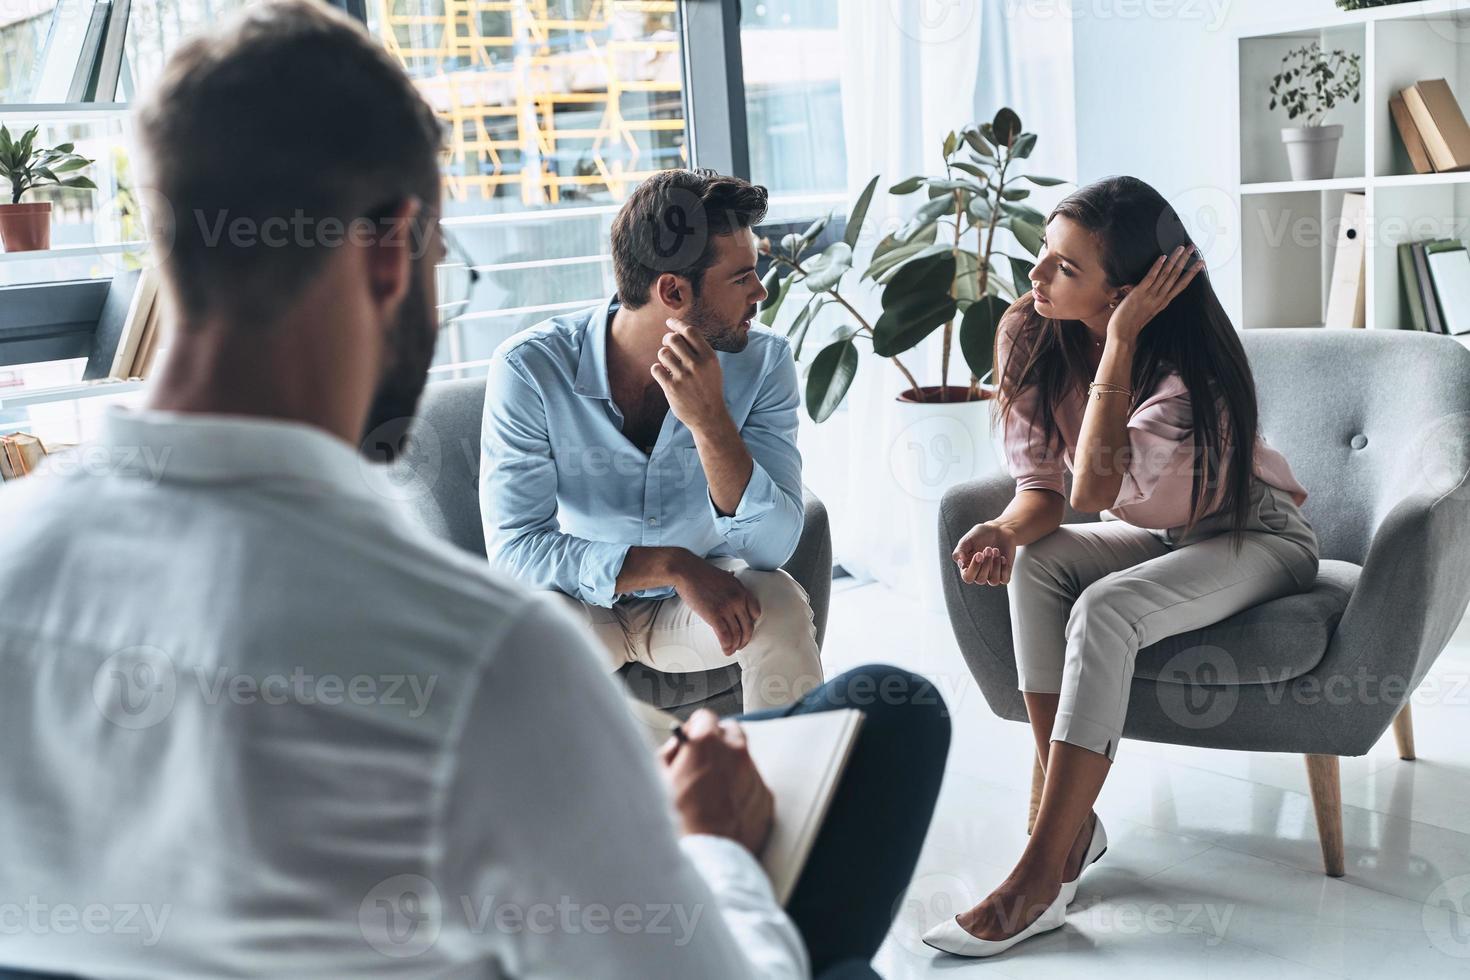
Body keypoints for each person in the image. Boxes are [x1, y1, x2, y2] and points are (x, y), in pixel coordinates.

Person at [0, 3, 949, 977]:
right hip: (595, 646)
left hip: (667, 631)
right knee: (901, 734)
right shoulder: (485, 666)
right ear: (389, 250)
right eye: (440, 252)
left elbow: (774, 531)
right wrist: (710, 846)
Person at [925, 176, 1320, 958]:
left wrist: (1122, 343)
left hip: (1256, 537)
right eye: (1044, 252)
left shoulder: (1186, 374)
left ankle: (1038, 877)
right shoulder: (1026, 332)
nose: (1037, 275)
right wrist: (1005, 529)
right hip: (1169, 540)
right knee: (1038, 562)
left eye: (1066, 268)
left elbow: (1095, 487)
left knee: (1105, 608)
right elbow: (1045, 494)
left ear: (1126, 296)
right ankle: (1071, 831)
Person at [480, 168, 824, 713]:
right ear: (672, 290)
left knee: (779, 603)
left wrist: (711, 424)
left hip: (697, 613)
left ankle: (793, 784)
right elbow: (516, 550)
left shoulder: (764, 361)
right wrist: (671, 564)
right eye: (741, 279)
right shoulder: (530, 369)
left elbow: (773, 547)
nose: (761, 293)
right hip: (586, 604)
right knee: (526, 633)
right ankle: (580, 796)